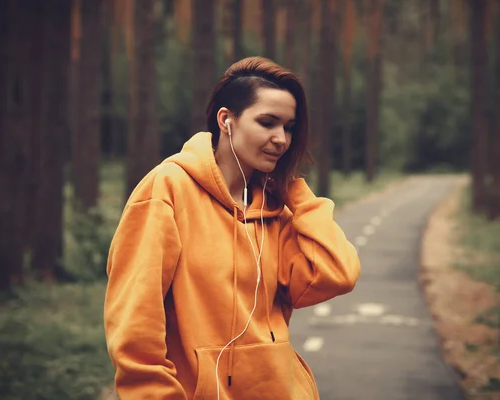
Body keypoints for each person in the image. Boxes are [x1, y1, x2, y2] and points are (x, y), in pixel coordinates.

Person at [104, 56, 361, 400]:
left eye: (288, 127)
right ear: (226, 121)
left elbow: (336, 274)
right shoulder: (168, 190)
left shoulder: (275, 210)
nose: (281, 139)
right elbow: (135, 325)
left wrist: (296, 194)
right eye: (267, 122)